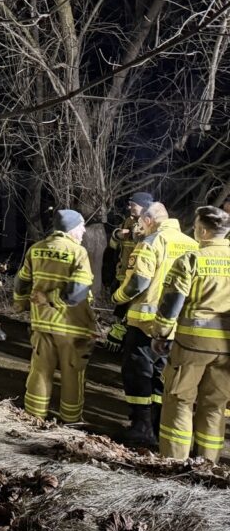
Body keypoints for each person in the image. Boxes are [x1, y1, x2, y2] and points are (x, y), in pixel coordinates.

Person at [111, 202, 198, 445]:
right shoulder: (192, 244)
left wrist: (117, 298)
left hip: (145, 324)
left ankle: (141, 428)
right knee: (163, 376)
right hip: (177, 326)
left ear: (149, 220)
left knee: (138, 373)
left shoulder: (151, 243)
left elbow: (138, 281)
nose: (139, 229)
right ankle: (160, 428)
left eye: (141, 224)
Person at [152, 206, 230, 461]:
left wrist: (161, 334)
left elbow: (171, 302)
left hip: (192, 346)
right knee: (214, 406)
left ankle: (174, 462)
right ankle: (209, 464)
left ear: (204, 231)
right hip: (227, 350)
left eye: (196, 226)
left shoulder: (191, 259)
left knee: (180, 401)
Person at [14, 209, 95, 423]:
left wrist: (20, 303)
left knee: (40, 370)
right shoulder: (78, 252)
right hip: (71, 325)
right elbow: (78, 290)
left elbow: (21, 281)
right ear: (71, 228)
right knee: (72, 374)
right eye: (81, 226)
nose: (84, 230)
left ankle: (34, 416)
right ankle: (71, 421)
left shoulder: (36, 249)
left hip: (42, 322)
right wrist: (51, 298)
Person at [105, 192, 155, 351]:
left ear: (144, 207)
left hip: (139, 277)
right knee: (121, 310)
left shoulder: (151, 224)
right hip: (123, 275)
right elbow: (113, 245)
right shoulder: (128, 221)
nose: (129, 207)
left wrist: (135, 232)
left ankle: (130, 344)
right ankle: (120, 341)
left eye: (133, 205)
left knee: (131, 312)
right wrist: (118, 235)